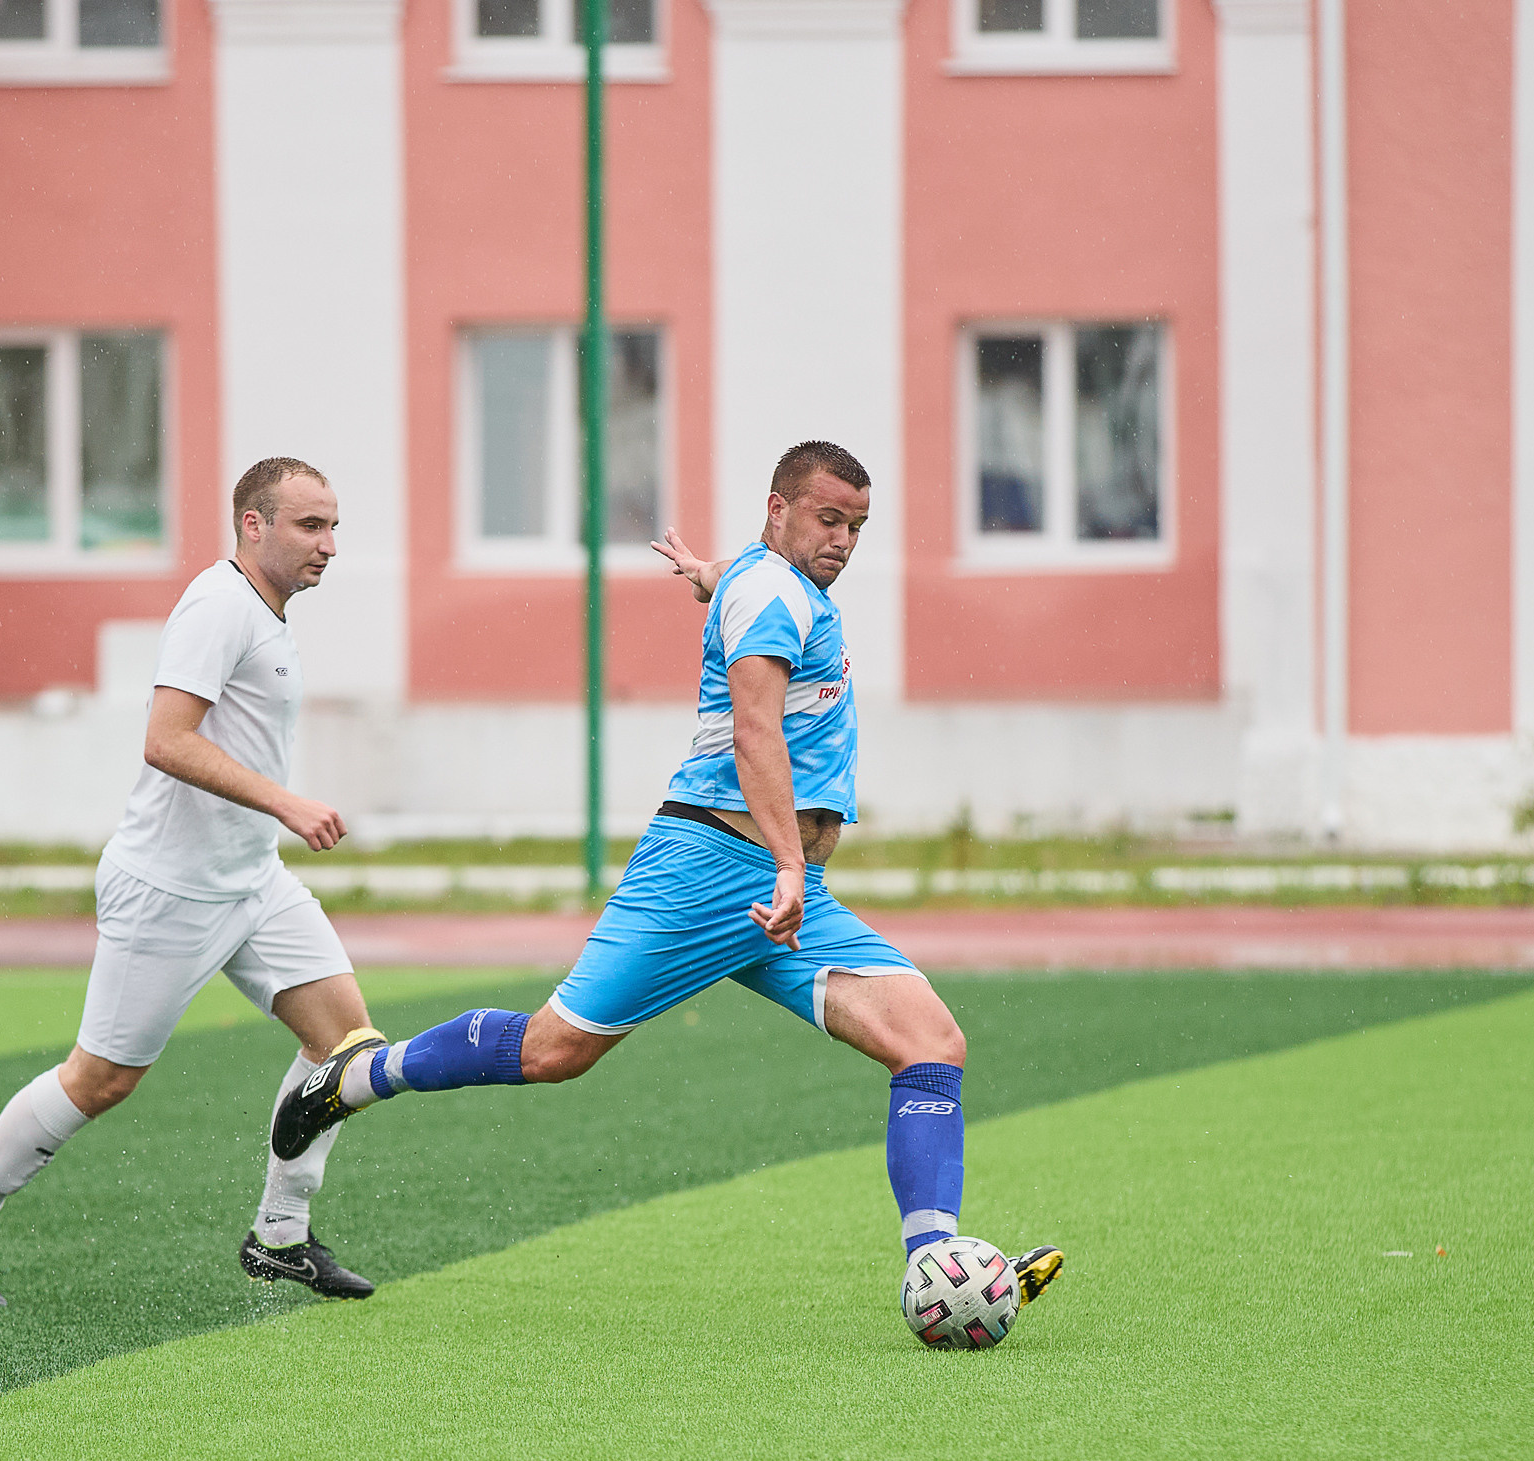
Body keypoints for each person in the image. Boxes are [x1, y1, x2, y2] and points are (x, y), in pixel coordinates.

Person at [269, 440, 1063, 1319]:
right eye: (828, 519)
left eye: (857, 526)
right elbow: (758, 734)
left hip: (773, 887)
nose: (843, 540)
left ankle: (935, 1267)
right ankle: (355, 1079)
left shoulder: (765, 582)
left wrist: (713, 575)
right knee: (552, 1051)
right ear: (779, 509)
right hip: (707, 873)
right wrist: (794, 863)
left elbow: (755, 589)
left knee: (931, 1042)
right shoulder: (767, 589)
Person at [0, 457, 383, 1306]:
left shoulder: (268, 614)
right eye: (311, 526)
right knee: (101, 1079)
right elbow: (166, 739)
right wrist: (285, 800)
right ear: (254, 524)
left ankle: (280, 1236)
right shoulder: (217, 605)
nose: (330, 545)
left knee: (346, 1046)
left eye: (334, 527)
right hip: (170, 888)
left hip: (252, 882)